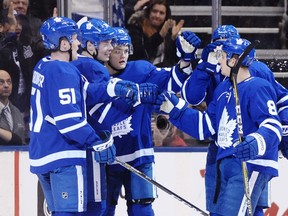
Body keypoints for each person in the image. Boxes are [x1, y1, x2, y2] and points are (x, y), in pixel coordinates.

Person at [157, 37, 282, 216]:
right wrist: (177, 110)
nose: (219, 61)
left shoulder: (257, 86)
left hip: (250, 163)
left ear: (233, 60)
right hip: (226, 161)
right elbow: (206, 126)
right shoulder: (223, 89)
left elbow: (272, 124)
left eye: (222, 56)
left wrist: (256, 142)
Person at [85, 27, 200, 215]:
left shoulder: (140, 69)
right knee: (103, 210)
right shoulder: (94, 77)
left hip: (139, 154)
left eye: (125, 50)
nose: (123, 56)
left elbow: (171, 81)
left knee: (142, 209)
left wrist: (185, 60)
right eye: (117, 50)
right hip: (105, 157)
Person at [29, 16, 118, 215]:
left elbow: (83, 92)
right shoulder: (64, 71)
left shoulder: (44, 65)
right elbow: (69, 123)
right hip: (64, 157)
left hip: (42, 153)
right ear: (63, 43)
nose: (77, 43)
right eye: (75, 38)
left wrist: (114, 89)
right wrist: (96, 142)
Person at [72, 18, 141, 216]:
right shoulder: (95, 68)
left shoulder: (72, 66)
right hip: (93, 147)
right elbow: (106, 116)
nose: (111, 48)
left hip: (74, 147)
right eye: (106, 43)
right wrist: (136, 100)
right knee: (96, 208)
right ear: (90, 45)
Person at [126, 0, 184, 67]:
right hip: (144, 72)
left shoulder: (168, 31)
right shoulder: (137, 28)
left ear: (166, 16)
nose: (157, 16)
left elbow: (173, 60)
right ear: (148, 12)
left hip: (162, 72)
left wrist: (174, 39)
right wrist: (159, 36)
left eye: (161, 13)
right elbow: (140, 54)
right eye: (154, 11)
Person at [0, 65, 25, 145]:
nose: (6, 85)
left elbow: (21, 141)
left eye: (9, 82)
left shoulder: (16, 111)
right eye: (1, 82)